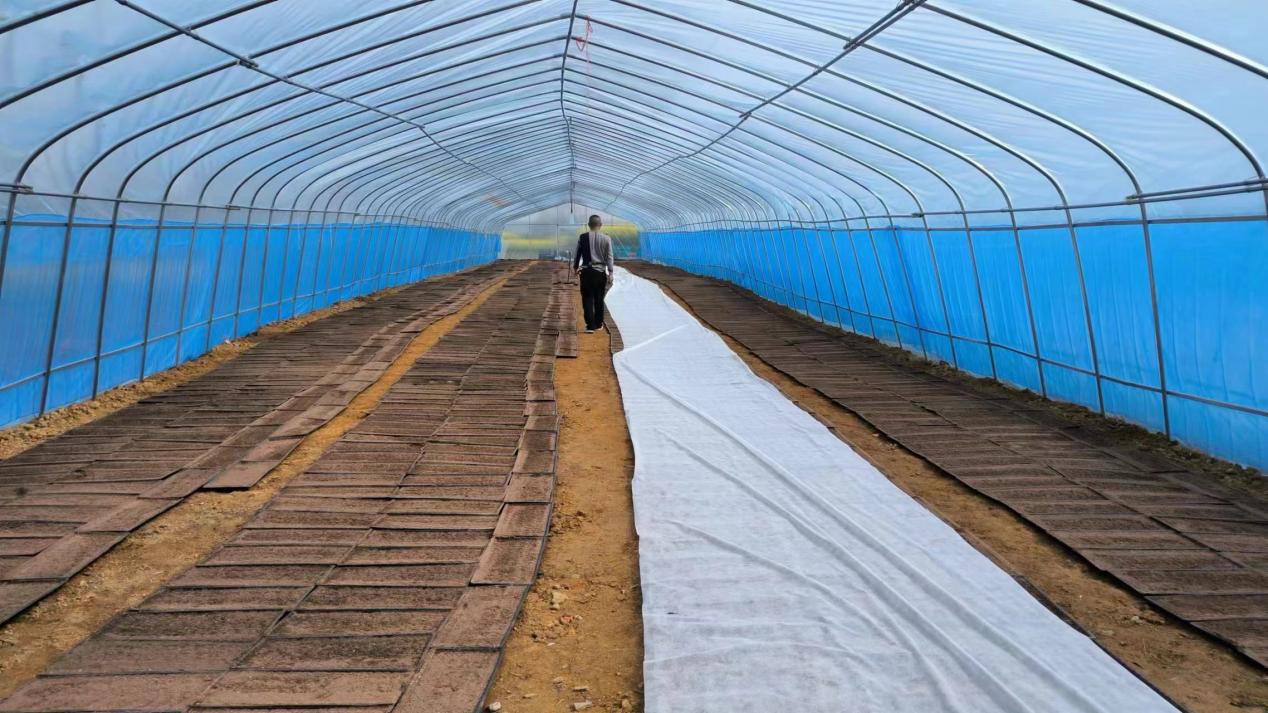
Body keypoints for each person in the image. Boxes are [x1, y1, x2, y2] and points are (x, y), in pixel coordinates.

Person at [572, 214, 615, 333]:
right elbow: (610, 257)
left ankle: (590, 326)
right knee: (599, 298)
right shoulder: (607, 238)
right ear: (600, 225)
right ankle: (598, 323)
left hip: (586, 273)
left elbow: (577, 254)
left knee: (587, 298)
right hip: (600, 272)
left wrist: (575, 267)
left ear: (589, 225)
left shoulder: (583, 237)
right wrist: (610, 272)